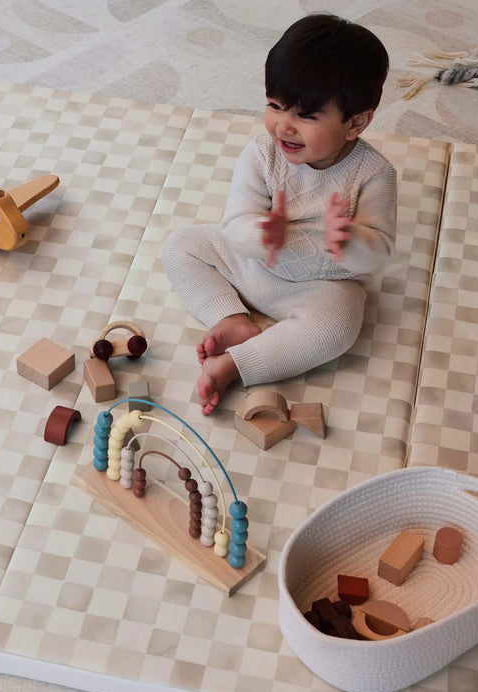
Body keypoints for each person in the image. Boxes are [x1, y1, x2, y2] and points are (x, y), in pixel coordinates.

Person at [162, 13, 397, 416]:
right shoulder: (261, 155)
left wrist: (351, 240)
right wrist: (258, 233)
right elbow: (234, 224)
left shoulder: (374, 174)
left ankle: (236, 364)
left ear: (355, 123)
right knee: (180, 245)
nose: (283, 126)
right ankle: (232, 317)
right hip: (253, 265)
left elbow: (380, 252)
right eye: (275, 106)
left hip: (323, 286)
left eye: (305, 115)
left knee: (337, 330)